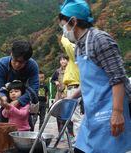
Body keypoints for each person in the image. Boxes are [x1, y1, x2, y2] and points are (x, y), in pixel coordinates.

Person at [59, 0, 131, 153]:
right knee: (81, 149)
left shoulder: (100, 40)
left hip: (110, 109)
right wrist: (71, 97)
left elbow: (118, 78)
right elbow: (87, 81)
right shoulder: (79, 45)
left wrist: (117, 113)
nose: (63, 30)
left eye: (63, 25)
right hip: (93, 111)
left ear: (73, 21)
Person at [0, 40, 39, 128]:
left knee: (27, 128)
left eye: (21, 62)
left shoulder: (32, 66)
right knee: (1, 129)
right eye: (15, 60)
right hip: (4, 102)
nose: (17, 64)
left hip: (23, 101)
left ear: (27, 60)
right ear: (11, 54)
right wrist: (2, 97)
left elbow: (34, 88)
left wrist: (19, 101)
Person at [61, 36, 82, 144]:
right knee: (74, 117)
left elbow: (68, 45)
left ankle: (79, 141)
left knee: (77, 117)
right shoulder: (72, 63)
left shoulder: (75, 58)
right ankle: (78, 140)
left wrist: (64, 35)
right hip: (71, 88)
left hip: (75, 88)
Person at [51, 54, 74, 141]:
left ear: (68, 61)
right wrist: (55, 81)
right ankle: (60, 133)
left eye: (64, 59)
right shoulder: (57, 71)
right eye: (61, 60)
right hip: (59, 94)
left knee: (69, 113)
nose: (62, 61)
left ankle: (71, 134)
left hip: (69, 94)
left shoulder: (71, 70)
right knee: (59, 114)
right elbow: (52, 79)